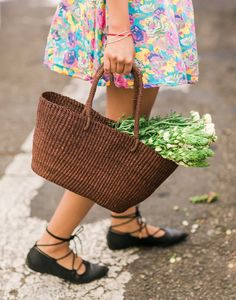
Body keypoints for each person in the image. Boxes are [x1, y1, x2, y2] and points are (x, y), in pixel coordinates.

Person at [25, 0, 199, 284]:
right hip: (131, 13)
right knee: (114, 141)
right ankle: (52, 244)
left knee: (129, 129)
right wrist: (118, 31)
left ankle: (125, 223)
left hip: (140, 12)